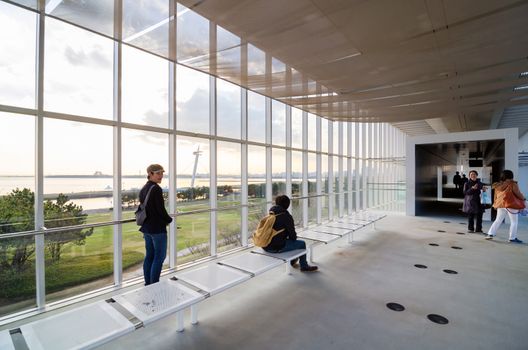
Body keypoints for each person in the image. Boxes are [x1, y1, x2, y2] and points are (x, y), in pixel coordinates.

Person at [263, 195, 318, 272]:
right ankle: (304, 266)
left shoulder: (271, 214)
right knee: (301, 244)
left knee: (288, 241)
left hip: (265, 245)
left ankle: (293, 261)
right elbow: (293, 236)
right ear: (287, 205)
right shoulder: (286, 216)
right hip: (275, 248)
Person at [139, 164, 173, 285]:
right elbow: (160, 210)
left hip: (147, 228)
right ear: (150, 174)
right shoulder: (156, 189)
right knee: (159, 257)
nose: (161, 176)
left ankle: (148, 283)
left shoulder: (144, 188)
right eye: (158, 173)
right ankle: (154, 285)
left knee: (149, 256)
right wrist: (169, 220)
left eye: (162, 173)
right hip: (157, 229)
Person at [485, 170, 526, 243]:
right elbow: (518, 194)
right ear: (511, 176)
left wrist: (495, 204)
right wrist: (524, 199)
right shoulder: (513, 184)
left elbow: (495, 196)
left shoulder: (498, 184)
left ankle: (490, 234)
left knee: (498, 220)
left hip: (500, 205)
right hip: (510, 205)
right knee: (514, 222)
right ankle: (512, 238)